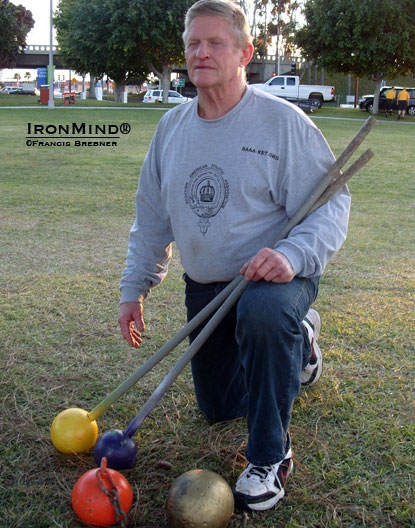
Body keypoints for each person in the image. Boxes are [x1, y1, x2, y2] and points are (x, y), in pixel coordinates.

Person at [118, 0, 350, 512]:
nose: (201, 53)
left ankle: (271, 455)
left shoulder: (282, 124)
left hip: (272, 280)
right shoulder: (171, 130)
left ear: (245, 52)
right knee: (220, 407)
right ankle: (301, 342)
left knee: (265, 315)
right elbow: (152, 220)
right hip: (205, 286)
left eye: (215, 42)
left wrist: (292, 255)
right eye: (192, 44)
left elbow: (331, 207)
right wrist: (133, 289)